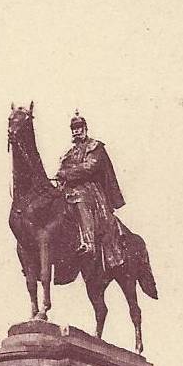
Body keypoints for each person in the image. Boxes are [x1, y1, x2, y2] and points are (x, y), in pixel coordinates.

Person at [56, 112, 126, 271]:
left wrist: (66, 173)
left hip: (91, 190)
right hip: (70, 188)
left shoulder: (95, 147)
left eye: (79, 128)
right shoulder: (68, 153)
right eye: (73, 129)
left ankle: (89, 244)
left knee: (79, 200)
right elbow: (61, 169)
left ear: (85, 129)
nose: (76, 131)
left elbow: (90, 167)